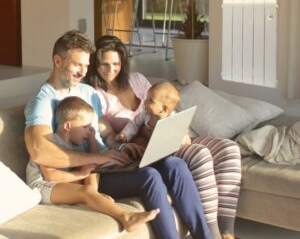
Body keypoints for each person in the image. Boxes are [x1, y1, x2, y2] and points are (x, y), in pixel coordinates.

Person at [24, 29, 212, 239]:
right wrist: (98, 158)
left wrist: (121, 147)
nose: (83, 72)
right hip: (89, 172)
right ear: (57, 61)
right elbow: (39, 150)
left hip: (106, 163)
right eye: (77, 65)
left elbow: (105, 132)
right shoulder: (43, 101)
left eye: (86, 66)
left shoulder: (87, 92)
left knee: (175, 165)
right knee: (149, 177)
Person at [86, 35, 242, 239]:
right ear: (95, 64)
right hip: (145, 150)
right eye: (104, 64)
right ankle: (211, 234)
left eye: (116, 63)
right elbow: (108, 137)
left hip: (167, 139)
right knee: (200, 155)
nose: (110, 70)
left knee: (229, 148)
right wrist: (126, 144)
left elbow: (164, 103)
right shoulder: (95, 94)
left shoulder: (138, 79)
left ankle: (227, 232)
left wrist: (180, 131)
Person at [26, 95, 159, 232]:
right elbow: (50, 176)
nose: (90, 130)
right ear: (67, 126)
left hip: (61, 183)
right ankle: (126, 217)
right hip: (42, 187)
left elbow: (92, 162)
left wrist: (91, 140)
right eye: (86, 127)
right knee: (86, 188)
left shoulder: (75, 144)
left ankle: (94, 196)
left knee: (91, 170)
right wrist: (80, 174)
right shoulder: (52, 143)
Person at [115, 81, 188, 148]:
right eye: (147, 98)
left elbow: (182, 128)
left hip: (167, 145)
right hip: (151, 144)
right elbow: (134, 124)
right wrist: (125, 134)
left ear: (164, 109)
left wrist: (182, 137)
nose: (145, 101)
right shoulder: (145, 115)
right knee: (139, 141)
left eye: (151, 101)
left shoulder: (172, 118)